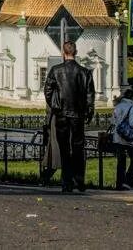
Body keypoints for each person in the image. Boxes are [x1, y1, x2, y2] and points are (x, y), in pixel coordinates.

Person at [43, 40, 95, 193]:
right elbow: (90, 95)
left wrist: (55, 105)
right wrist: (89, 112)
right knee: (78, 148)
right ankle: (79, 181)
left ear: (63, 53)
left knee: (64, 149)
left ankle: (66, 183)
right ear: (76, 52)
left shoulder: (56, 70)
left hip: (62, 115)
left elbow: (47, 91)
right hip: (78, 115)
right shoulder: (84, 73)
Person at [110, 89, 133, 189]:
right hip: (129, 138)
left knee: (121, 162)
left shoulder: (118, 106)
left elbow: (113, 121)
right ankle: (128, 181)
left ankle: (119, 183)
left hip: (118, 138)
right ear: (132, 97)